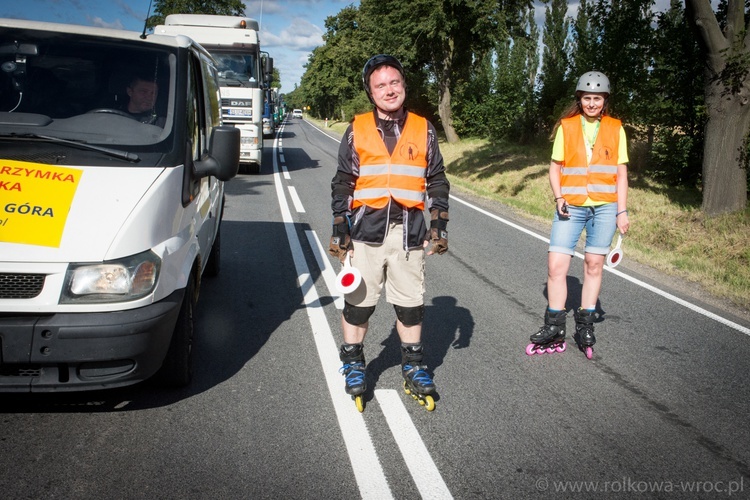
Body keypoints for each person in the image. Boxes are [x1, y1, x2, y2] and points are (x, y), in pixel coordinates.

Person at [329, 54, 450, 404]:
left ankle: (413, 366)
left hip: (410, 233)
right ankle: (353, 363)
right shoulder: (357, 129)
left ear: (404, 86)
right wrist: (340, 223)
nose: (388, 90)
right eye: (380, 85)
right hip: (366, 232)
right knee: (359, 305)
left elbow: (436, 178)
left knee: (410, 305)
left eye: (394, 82)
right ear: (371, 92)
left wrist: (439, 222)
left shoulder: (423, 128)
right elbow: (343, 181)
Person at [528, 71, 630, 358]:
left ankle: (585, 325)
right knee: (556, 265)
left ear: (605, 100)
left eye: (597, 98)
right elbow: (554, 167)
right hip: (570, 205)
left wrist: (622, 211)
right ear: (580, 99)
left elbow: (621, 174)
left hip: (606, 206)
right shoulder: (567, 126)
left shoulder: (616, 128)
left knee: (594, 265)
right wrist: (559, 196)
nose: (592, 103)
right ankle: (554, 326)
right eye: (587, 98)